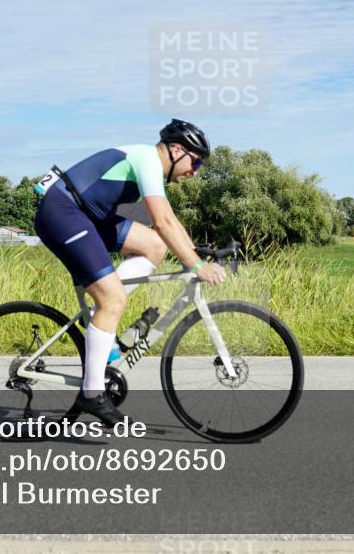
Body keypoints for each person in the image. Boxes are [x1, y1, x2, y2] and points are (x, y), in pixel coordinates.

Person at [33, 118, 226, 425]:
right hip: (63, 213)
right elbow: (161, 221)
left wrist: (196, 251)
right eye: (196, 162)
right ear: (177, 150)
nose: (196, 170)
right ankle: (92, 394)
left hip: (87, 214)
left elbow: (168, 224)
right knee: (113, 301)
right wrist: (197, 265)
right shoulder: (148, 159)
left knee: (154, 247)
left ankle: (102, 319)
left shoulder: (152, 166)